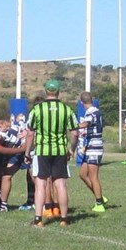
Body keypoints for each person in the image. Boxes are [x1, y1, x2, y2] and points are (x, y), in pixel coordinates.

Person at [24, 79, 78, 227]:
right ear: (58, 91)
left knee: (40, 184)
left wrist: (27, 152)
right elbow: (75, 133)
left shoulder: (37, 110)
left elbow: (30, 133)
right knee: (60, 184)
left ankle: (38, 219)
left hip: (42, 150)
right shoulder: (66, 109)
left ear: (46, 91)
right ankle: (64, 218)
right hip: (60, 150)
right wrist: (71, 149)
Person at [78, 91, 107, 213]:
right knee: (82, 174)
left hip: (94, 147)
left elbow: (85, 123)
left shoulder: (91, 112)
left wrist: (72, 126)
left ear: (81, 102)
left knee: (93, 176)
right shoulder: (96, 111)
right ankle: (99, 196)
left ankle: (99, 203)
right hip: (91, 146)